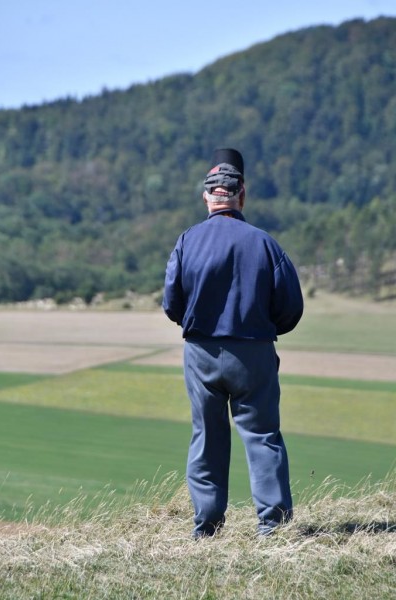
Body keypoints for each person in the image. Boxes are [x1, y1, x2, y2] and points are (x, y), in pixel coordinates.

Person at [162, 148, 303, 539]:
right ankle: (272, 527)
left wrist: (197, 325)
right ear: (242, 195)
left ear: (207, 197)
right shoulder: (265, 244)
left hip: (201, 352)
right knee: (262, 436)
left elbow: (171, 303)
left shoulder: (187, 241)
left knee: (206, 437)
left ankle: (206, 528)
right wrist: (261, 329)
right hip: (253, 351)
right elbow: (291, 307)